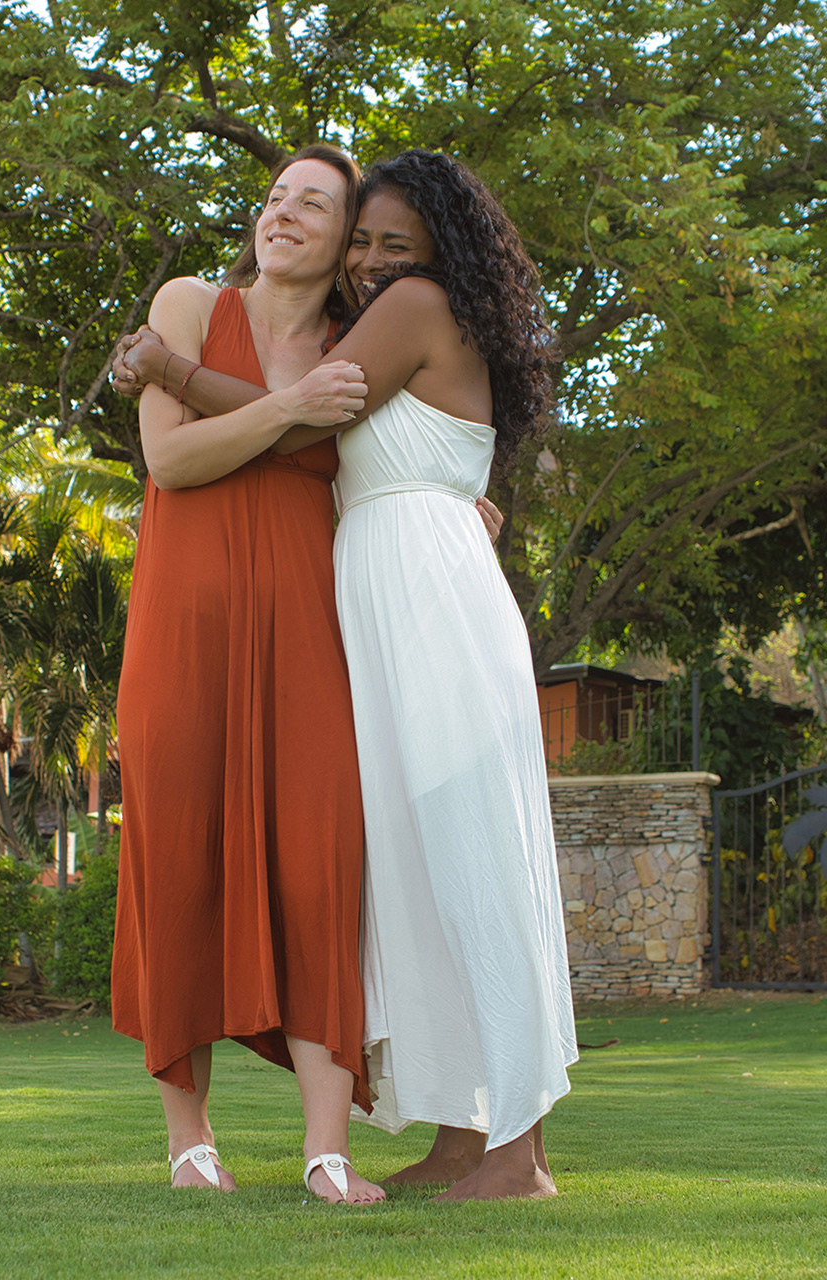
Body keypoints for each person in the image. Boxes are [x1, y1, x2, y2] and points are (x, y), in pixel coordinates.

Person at [112, 150, 577, 1202]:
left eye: (385, 240)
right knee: (415, 873)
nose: (371, 259)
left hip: (427, 609)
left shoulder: (408, 308)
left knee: (473, 868)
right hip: (386, 601)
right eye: (361, 239)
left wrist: (168, 370)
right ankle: (465, 1133)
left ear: (437, 249)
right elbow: (325, 439)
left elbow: (306, 420)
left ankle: (518, 1150)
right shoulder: (383, 317)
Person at [110, 143, 388, 1206]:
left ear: (347, 238)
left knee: (321, 862)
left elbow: (394, 462)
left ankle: (327, 1150)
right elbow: (171, 460)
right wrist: (290, 409)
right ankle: (190, 1140)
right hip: (184, 628)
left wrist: (460, 502)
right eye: (275, 197)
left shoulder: (358, 350)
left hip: (309, 635)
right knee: (177, 859)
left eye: (313, 204)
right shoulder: (188, 303)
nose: (283, 213)